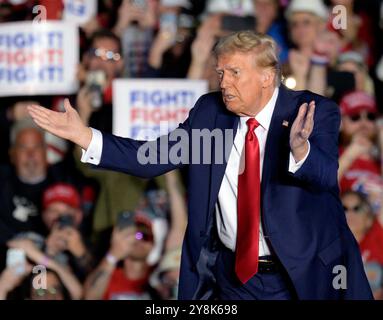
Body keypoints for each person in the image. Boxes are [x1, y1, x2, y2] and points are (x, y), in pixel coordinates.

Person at [28, 31, 373, 300]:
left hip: (302, 275)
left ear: (268, 77)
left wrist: (300, 150)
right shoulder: (210, 113)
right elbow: (150, 158)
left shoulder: (313, 111)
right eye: (220, 72)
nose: (224, 83)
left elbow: (326, 175)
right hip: (232, 278)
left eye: (235, 72)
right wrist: (84, 135)